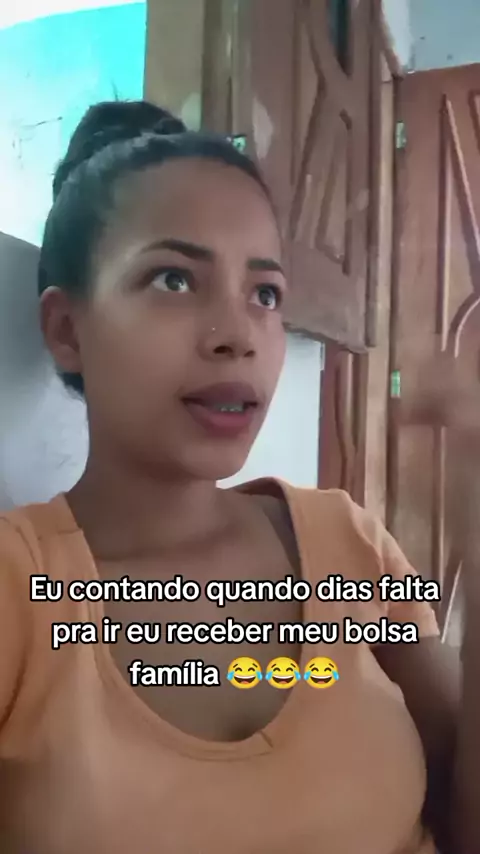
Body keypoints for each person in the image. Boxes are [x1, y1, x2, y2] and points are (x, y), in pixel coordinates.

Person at [0, 99, 473, 854]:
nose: (239, 337)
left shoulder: (348, 542)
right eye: (174, 280)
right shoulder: (18, 587)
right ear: (67, 330)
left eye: (265, 294)